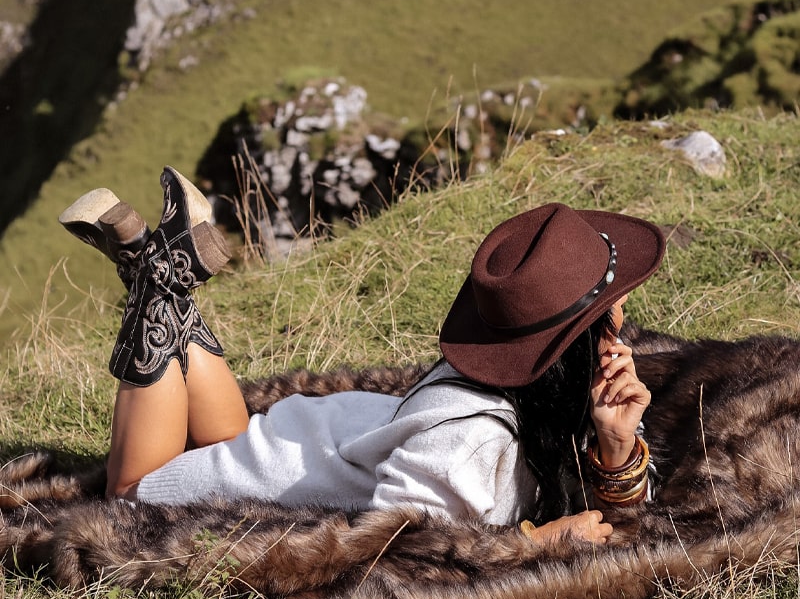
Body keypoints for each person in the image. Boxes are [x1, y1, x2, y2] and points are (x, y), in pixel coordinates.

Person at [59, 167, 665, 545]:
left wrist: (616, 448)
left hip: (268, 443)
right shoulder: (466, 444)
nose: (624, 325)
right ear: (573, 347)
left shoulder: (516, 386)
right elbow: (395, 555)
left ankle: (157, 269)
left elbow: (603, 505)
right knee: (128, 497)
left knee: (225, 435)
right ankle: (158, 281)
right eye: (612, 311)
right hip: (223, 480)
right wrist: (535, 544)